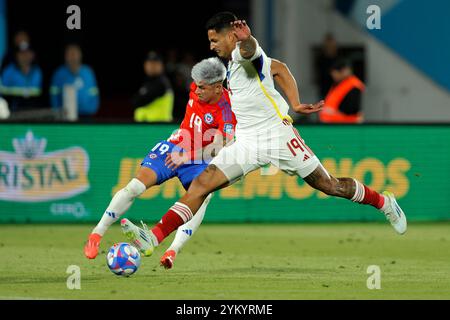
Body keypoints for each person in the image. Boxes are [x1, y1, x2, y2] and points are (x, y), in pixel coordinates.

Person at [120, 12, 407, 259]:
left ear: (230, 36)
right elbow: (280, 69)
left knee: (329, 185)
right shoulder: (231, 65)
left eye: (214, 40)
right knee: (202, 184)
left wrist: (248, 40)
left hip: (277, 136)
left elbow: (252, 51)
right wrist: (294, 102)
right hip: (247, 140)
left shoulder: (245, 56)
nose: (211, 46)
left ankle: (383, 203)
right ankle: (154, 237)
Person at [84, 57, 237, 269]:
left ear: (218, 88)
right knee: (135, 186)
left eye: (202, 87)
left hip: (197, 159)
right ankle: (96, 234)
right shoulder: (197, 85)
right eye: (197, 85)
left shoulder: (227, 109)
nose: (197, 90)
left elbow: (220, 147)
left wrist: (188, 156)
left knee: (203, 196)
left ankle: (172, 250)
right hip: (175, 146)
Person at [50, 44, 99, 118]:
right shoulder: (59, 73)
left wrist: (92, 109)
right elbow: (53, 95)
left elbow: (94, 93)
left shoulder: (88, 72)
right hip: (65, 116)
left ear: (80, 55)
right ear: (65, 57)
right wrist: (57, 112)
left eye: (75, 54)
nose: (73, 57)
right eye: (70, 54)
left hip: (86, 115)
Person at [132, 51, 174, 122]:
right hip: (147, 126)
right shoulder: (148, 81)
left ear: (161, 65)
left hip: (159, 126)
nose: (152, 66)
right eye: (149, 63)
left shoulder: (162, 82)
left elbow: (137, 101)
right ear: (145, 65)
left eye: (155, 63)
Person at [319, 58, 365, 123]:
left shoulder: (353, 86)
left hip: (345, 126)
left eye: (335, 74)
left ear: (343, 71)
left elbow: (352, 109)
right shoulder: (339, 85)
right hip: (334, 124)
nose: (334, 78)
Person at [0, 42, 42, 111]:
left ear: (32, 55)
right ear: (16, 56)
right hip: (12, 110)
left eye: (27, 53)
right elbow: (3, 96)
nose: (24, 56)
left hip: (33, 110)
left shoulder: (37, 71)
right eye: (21, 53)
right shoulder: (8, 71)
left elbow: (37, 95)